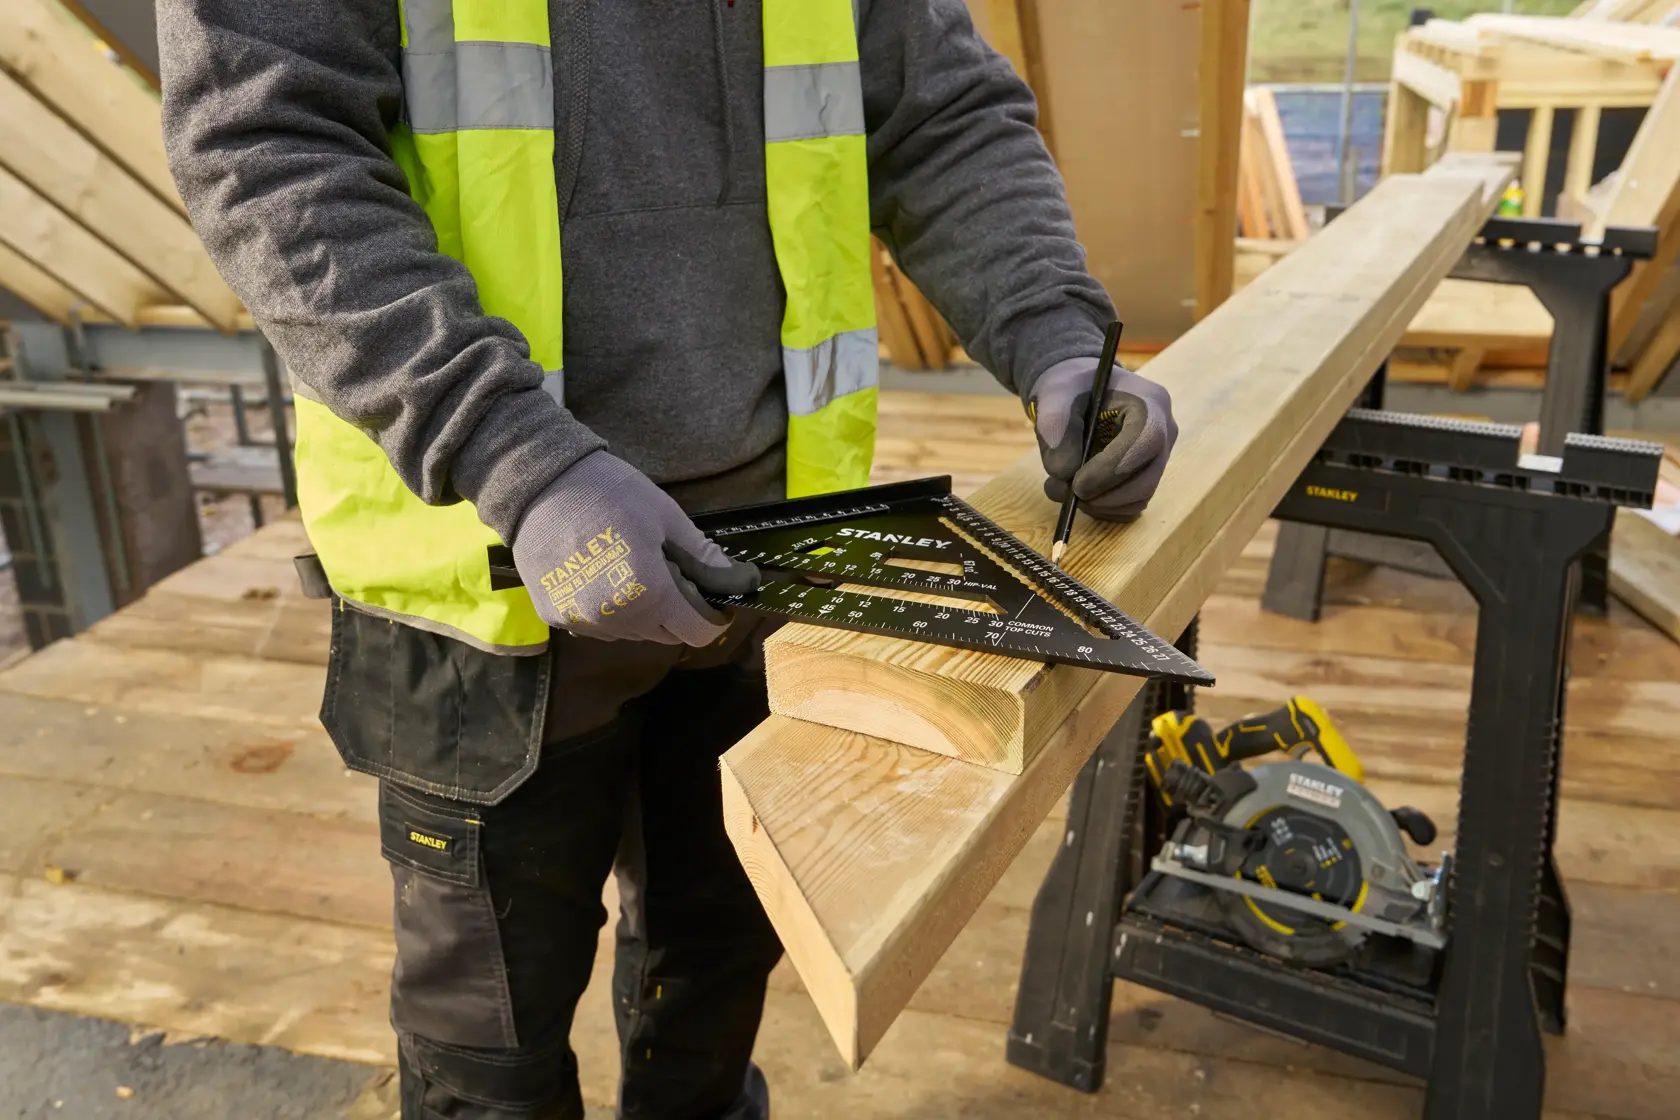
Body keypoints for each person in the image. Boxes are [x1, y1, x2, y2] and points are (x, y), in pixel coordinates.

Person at [155, 1, 1178, 1116]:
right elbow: (264, 145)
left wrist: (1059, 337)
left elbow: (940, 112)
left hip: (768, 556)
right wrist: (513, 450)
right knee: (486, 1057)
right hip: (483, 576)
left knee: (712, 976)